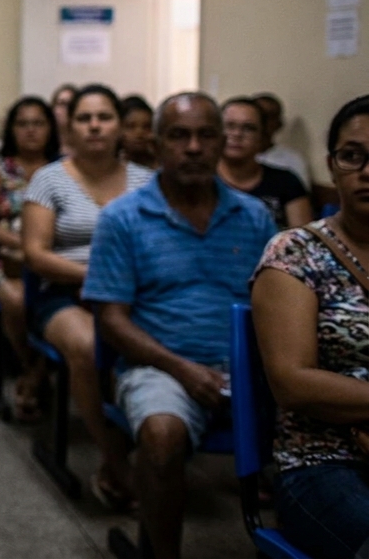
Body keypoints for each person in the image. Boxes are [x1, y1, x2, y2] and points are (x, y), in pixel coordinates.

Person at [90, 93, 277, 559]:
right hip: (159, 366)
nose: (193, 147)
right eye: (179, 136)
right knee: (162, 433)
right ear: (156, 145)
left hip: (248, 368)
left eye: (205, 135)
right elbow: (110, 319)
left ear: (221, 144)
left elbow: (274, 308)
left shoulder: (254, 217)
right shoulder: (122, 218)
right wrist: (181, 369)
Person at [21, 83, 152, 509]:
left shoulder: (148, 182)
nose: (95, 126)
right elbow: (36, 254)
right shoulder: (50, 179)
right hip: (63, 291)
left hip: (136, 295)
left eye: (104, 117)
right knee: (88, 346)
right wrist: (98, 279)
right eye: (84, 118)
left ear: (119, 126)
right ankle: (116, 462)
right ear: (71, 128)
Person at [250, 94, 369, 559]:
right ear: (332, 165)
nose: (366, 171)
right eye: (352, 156)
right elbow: (293, 383)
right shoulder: (295, 253)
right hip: (322, 462)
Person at [0, 96, 61, 422]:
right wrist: (27, 246)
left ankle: (35, 378)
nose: (31, 131)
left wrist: (41, 252)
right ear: (11, 129)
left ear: (50, 128)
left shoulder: (64, 169)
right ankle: (31, 366)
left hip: (54, 260)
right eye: (23, 124)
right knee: (19, 300)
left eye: (38, 123)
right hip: (3, 261)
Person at [217, 96, 312, 230]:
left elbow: (303, 242)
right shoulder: (201, 181)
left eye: (248, 128)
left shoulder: (287, 182)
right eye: (229, 126)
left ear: (261, 136)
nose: (237, 134)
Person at [253, 92, 311, 189]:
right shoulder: (230, 154)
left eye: (270, 116)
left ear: (279, 124)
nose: (263, 122)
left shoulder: (292, 161)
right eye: (259, 115)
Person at [119, 95, 157, 169]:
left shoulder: (163, 167)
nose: (139, 133)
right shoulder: (111, 167)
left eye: (146, 127)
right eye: (130, 126)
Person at [51, 83, 78, 157]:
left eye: (71, 104)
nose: (67, 109)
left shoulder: (87, 145)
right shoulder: (45, 146)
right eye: (62, 104)